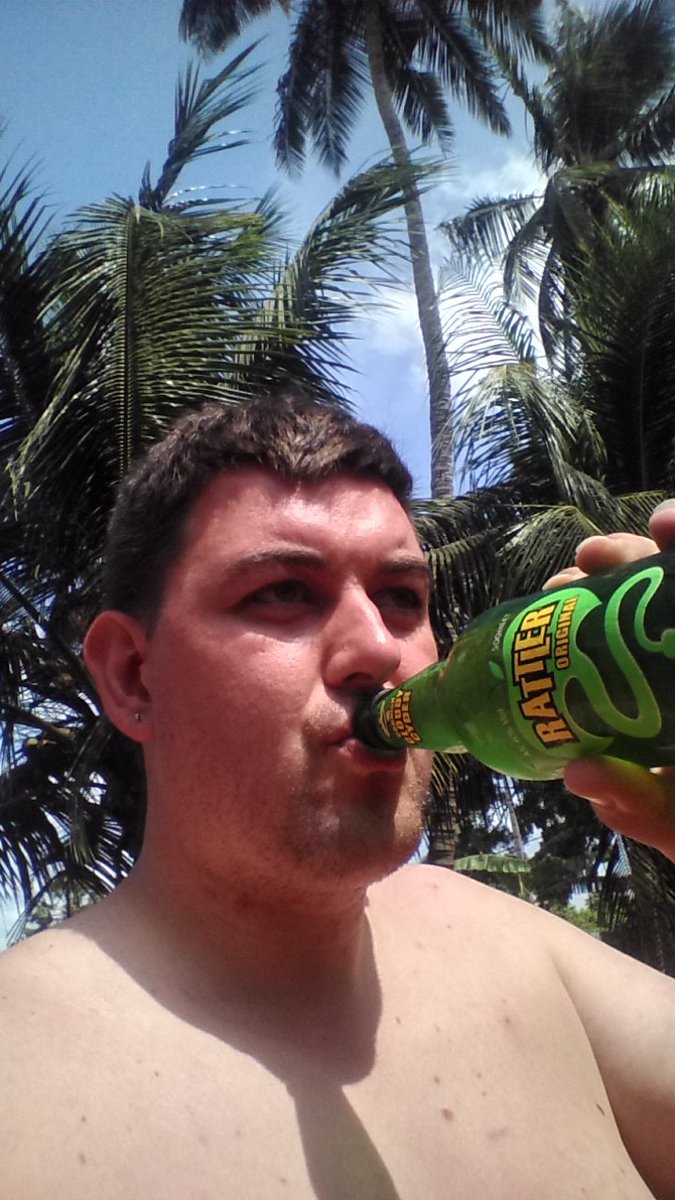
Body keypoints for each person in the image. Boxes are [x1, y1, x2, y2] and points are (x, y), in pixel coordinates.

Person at [0, 393, 674, 1200]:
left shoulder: (511, 947)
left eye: (401, 598)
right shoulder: (24, 1083)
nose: (377, 649)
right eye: (283, 592)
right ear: (133, 677)